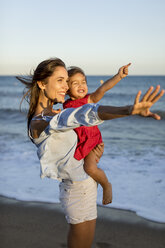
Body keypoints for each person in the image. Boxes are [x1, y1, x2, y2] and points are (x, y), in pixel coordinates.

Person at [17, 58, 164, 248]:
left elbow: (83, 115)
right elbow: (83, 114)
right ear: (42, 84)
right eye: (60, 80)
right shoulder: (40, 121)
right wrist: (128, 110)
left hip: (87, 183)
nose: (65, 86)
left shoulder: (54, 111)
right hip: (75, 190)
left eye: (65, 80)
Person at [63, 64, 131, 205]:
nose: (81, 85)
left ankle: (106, 185)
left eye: (83, 82)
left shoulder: (88, 100)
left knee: (90, 168)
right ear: (67, 88)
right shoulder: (65, 106)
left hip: (92, 142)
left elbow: (103, 89)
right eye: (75, 83)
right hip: (80, 143)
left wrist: (118, 76)